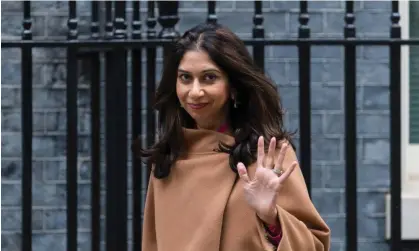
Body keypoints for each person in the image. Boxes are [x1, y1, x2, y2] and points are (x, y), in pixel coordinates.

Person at [134, 23, 330, 251]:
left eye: (209, 78)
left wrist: (272, 219)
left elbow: (314, 245)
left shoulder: (267, 153)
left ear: (233, 88)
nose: (195, 91)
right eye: (185, 78)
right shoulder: (168, 158)